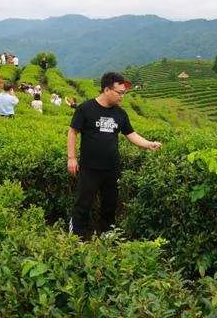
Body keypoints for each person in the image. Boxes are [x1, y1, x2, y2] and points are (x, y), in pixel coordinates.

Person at [67, 72, 162, 239]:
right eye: (120, 93)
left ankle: (106, 233)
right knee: (84, 202)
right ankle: (77, 234)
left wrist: (148, 144)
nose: (122, 97)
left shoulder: (120, 114)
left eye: (124, 93)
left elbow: (131, 134)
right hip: (90, 167)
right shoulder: (86, 108)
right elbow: (73, 131)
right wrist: (72, 157)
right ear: (106, 89)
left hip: (112, 167)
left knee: (110, 203)